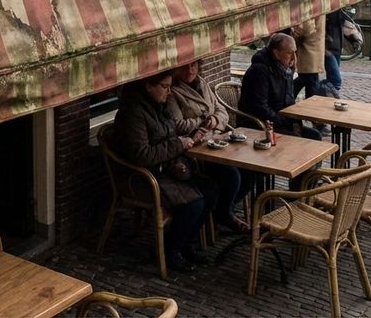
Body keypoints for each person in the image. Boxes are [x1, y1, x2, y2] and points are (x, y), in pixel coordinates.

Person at [113, 70, 218, 272]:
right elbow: (141, 154)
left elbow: (168, 137)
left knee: (211, 190)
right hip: (143, 176)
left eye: (170, 86)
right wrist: (178, 145)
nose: (169, 92)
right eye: (164, 86)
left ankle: (186, 243)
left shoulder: (161, 106)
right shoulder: (133, 112)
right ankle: (171, 251)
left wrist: (190, 140)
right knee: (193, 203)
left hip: (167, 167)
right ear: (148, 86)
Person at [167, 60, 251, 233]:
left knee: (250, 169)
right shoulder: (171, 92)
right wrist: (203, 120)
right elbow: (178, 125)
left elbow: (222, 112)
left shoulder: (202, 83)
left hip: (216, 139)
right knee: (231, 175)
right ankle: (223, 214)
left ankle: (223, 208)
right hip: (196, 148)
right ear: (176, 68)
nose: (190, 70)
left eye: (193, 65)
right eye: (184, 66)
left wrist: (215, 120)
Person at [238, 32, 321, 141]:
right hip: (260, 123)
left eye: (295, 52)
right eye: (289, 53)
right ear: (276, 53)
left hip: (279, 120)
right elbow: (260, 108)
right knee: (296, 139)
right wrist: (287, 124)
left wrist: (296, 122)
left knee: (315, 136)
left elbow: (289, 100)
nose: (294, 58)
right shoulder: (259, 71)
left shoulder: (285, 69)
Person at [291, 15, 325, 101]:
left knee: (311, 82)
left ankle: (310, 107)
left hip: (308, 49)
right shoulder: (319, 5)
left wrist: (295, 33)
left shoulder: (311, 4)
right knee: (307, 79)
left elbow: (307, 28)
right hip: (313, 48)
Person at [323, 10, 346, 96]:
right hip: (328, 49)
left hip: (337, 47)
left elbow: (344, 26)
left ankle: (328, 99)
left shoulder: (339, 8)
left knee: (332, 78)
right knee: (336, 81)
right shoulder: (326, 8)